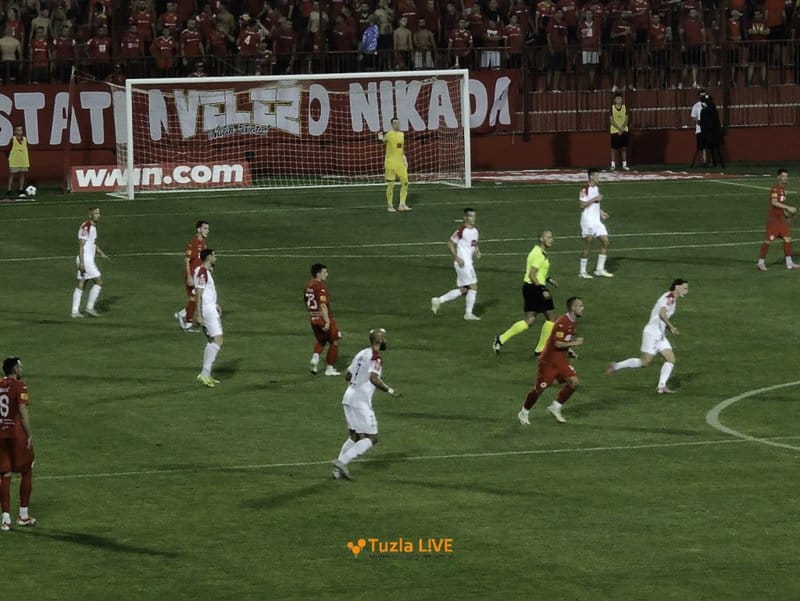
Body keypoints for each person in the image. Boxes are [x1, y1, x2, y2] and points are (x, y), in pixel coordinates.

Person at [331, 328, 401, 480]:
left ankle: (337, 472)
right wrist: (390, 391)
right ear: (378, 341)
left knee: (355, 436)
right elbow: (373, 378)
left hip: (349, 396)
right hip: (360, 401)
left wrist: (357, 384)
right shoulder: (376, 358)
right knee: (373, 437)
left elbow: (348, 375)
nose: (386, 341)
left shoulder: (362, 353)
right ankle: (342, 461)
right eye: (384, 338)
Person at [606, 279, 689, 394]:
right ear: (677, 287)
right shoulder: (669, 298)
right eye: (684, 288)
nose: (686, 291)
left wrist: (669, 328)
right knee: (644, 362)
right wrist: (671, 326)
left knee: (671, 359)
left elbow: (661, 317)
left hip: (660, 334)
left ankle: (661, 386)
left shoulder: (672, 299)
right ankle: (616, 366)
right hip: (652, 334)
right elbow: (662, 313)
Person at [517, 296, 584, 425]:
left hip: (561, 361)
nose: (583, 308)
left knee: (574, 382)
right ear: (573, 308)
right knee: (539, 389)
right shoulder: (562, 323)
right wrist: (575, 343)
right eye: (580, 306)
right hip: (548, 362)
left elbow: (565, 339)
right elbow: (557, 344)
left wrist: (569, 350)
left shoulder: (573, 322)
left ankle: (555, 407)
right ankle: (524, 412)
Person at [493, 230, 559, 355]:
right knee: (551, 319)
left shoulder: (536, 251)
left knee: (529, 320)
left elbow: (537, 272)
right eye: (548, 237)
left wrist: (549, 279)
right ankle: (540, 349)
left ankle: (501, 339)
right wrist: (543, 290)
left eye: (552, 237)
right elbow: (532, 274)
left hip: (528, 288)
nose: (551, 239)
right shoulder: (539, 254)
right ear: (541, 239)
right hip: (537, 288)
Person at [0, 357, 36, 531]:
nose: (21, 369)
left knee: (4, 474)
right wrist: (29, 434)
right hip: (16, 435)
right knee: (27, 470)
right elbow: (22, 410)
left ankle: (5, 519)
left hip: (0, 435)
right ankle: (23, 516)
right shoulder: (20, 386)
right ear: (14, 369)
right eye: (19, 366)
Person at [431, 208, 481, 320]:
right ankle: (468, 314)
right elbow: (450, 244)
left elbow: (473, 243)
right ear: (465, 218)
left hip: (468, 263)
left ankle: (438, 300)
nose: (473, 218)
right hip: (463, 263)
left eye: (474, 216)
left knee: (465, 290)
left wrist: (477, 251)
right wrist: (457, 258)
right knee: (473, 286)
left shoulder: (475, 231)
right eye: (471, 216)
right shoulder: (461, 230)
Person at [757, 169, 800, 271]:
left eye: (786, 176)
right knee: (768, 241)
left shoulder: (783, 190)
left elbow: (780, 205)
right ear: (778, 177)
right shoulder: (775, 188)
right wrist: (789, 208)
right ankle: (760, 262)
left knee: (787, 239)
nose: (785, 178)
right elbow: (774, 202)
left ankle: (789, 263)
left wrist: (785, 213)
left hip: (781, 219)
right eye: (783, 176)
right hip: (774, 220)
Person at [304, 263, 341, 376]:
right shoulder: (320, 287)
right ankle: (329, 369)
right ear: (318, 273)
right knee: (335, 339)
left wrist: (313, 314)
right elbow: (323, 305)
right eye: (324, 272)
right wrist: (327, 321)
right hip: (323, 318)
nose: (327, 274)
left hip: (313, 318)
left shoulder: (308, 285)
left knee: (321, 339)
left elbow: (306, 301)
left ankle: (315, 358)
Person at [71, 208, 108, 318]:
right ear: (90, 214)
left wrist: (101, 253)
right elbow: (81, 245)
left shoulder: (93, 227)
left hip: (86, 259)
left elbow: (92, 243)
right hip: (85, 260)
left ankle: (74, 312)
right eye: (95, 213)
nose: (98, 215)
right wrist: (82, 263)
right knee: (98, 281)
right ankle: (89, 308)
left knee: (82, 283)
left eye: (99, 213)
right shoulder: (86, 227)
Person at [194, 249, 223, 387]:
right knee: (218, 339)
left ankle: (206, 374)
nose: (215, 258)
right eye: (214, 255)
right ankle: (204, 374)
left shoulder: (204, 272)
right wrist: (199, 314)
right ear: (208, 257)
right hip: (208, 311)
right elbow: (198, 293)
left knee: (212, 340)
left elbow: (206, 293)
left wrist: (215, 304)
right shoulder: (202, 272)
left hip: (209, 307)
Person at [578, 168, 613, 278]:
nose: (599, 178)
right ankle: (582, 272)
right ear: (591, 176)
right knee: (589, 244)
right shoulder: (584, 189)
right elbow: (581, 205)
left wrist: (601, 212)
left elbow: (595, 205)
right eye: (597, 176)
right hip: (588, 221)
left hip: (596, 221)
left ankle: (599, 269)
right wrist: (595, 199)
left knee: (605, 241)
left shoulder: (596, 188)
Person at [175, 220, 209, 330]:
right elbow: (187, 261)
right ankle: (188, 324)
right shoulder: (193, 243)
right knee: (194, 299)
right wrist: (189, 277)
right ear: (198, 229)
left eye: (208, 229)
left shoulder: (203, 243)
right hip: (192, 276)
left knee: (197, 298)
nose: (207, 231)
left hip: (199, 276)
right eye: (205, 228)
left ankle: (182, 314)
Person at [378, 117, 411, 213]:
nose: (398, 125)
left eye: (398, 123)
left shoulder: (402, 134)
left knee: (405, 183)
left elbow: (401, 148)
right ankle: (390, 205)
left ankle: (402, 204)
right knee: (391, 185)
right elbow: (383, 140)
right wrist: (380, 138)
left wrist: (404, 159)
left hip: (400, 163)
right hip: (390, 163)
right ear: (392, 124)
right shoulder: (389, 134)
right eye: (395, 123)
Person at [698, 91, 724, 168]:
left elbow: (702, 122)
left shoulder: (705, 110)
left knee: (710, 147)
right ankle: (716, 162)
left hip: (708, 132)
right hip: (715, 131)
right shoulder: (713, 108)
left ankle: (713, 162)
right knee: (716, 148)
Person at [6, 126, 29, 197]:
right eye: (18, 130)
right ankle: (9, 189)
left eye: (21, 130)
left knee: (22, 174)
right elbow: (8, 150)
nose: (20, 132)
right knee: (12, 174)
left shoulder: (25, 139)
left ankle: (21, 189)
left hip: (23, 160)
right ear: (15, 132)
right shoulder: (13, 139)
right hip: (14, 160)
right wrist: (10, 158)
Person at [609, 94, 630, 171]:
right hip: (615, 130)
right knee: (613, 148)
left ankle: (624, 164)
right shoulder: (612, 108)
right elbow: (612, 121)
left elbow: (626, 119)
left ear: (622, 100)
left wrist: (622, 129)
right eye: (617, 98)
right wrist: (619, 129)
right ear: (615, 100)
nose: (618, 100)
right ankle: (613, 165)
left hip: (624, 130)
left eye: (620, 98)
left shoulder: (625, 107)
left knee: (624, 148)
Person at [690, 90, 706, 166]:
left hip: (708, 128)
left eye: (704, 95)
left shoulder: (709, 104)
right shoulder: (696, 106)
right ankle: (703, 161)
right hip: (699, 129)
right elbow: (693, 116)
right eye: (701, 95)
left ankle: (707, 160)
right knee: (701, 146)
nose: (703, 97)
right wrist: (698, 122)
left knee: (708, 145)